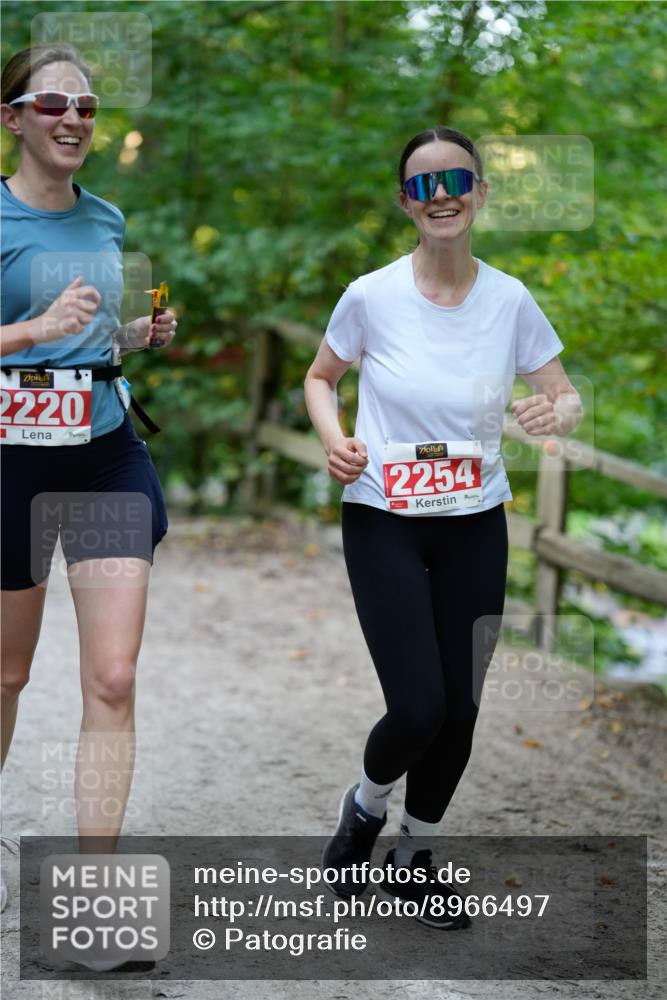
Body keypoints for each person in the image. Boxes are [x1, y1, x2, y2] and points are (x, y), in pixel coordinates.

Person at [304, 126, 582, 929]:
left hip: (473, 522)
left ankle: (415, 860)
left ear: (481, 192)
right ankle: (362, 811)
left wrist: (549, 409)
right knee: (419, 706)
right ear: (405, 203)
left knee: (460, 709)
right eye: (424, 185)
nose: (442, 195)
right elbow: (321, 380)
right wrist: (335, 442)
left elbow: (564, 397)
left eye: (456, 179)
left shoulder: (510, 299)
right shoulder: (370, 294)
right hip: (384, 517)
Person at [0, 44, 176, 935]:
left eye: (89, 106)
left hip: (104, 450)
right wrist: (30, 329)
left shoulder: (107, 219)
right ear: (14, 119)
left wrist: (136, 334)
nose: (74, 119)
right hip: (9, 461)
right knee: (7, 672)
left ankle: (95, 897)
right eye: (54, 103)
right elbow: (40, 333)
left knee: (112, 675)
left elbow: (92, 340)